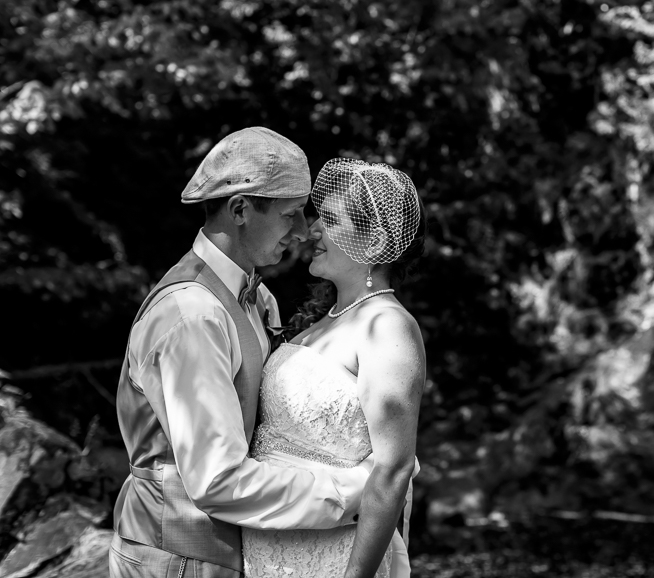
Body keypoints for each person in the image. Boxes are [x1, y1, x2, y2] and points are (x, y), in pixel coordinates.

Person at [110, 128, 372, 578]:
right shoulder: (194, 316)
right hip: (175, 557)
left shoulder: (255, 297)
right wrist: (351, 493)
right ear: (240, 210)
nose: (303, 230)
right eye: (290, 215)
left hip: (228, 553)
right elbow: (218, 478)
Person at [242, 158, 427, 578]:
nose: (312, 231)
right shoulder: (324, 318)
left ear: (377, 243)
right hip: (268, 548)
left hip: (334, 556)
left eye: (332, 220)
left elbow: (394, 468)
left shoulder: (388, 326)